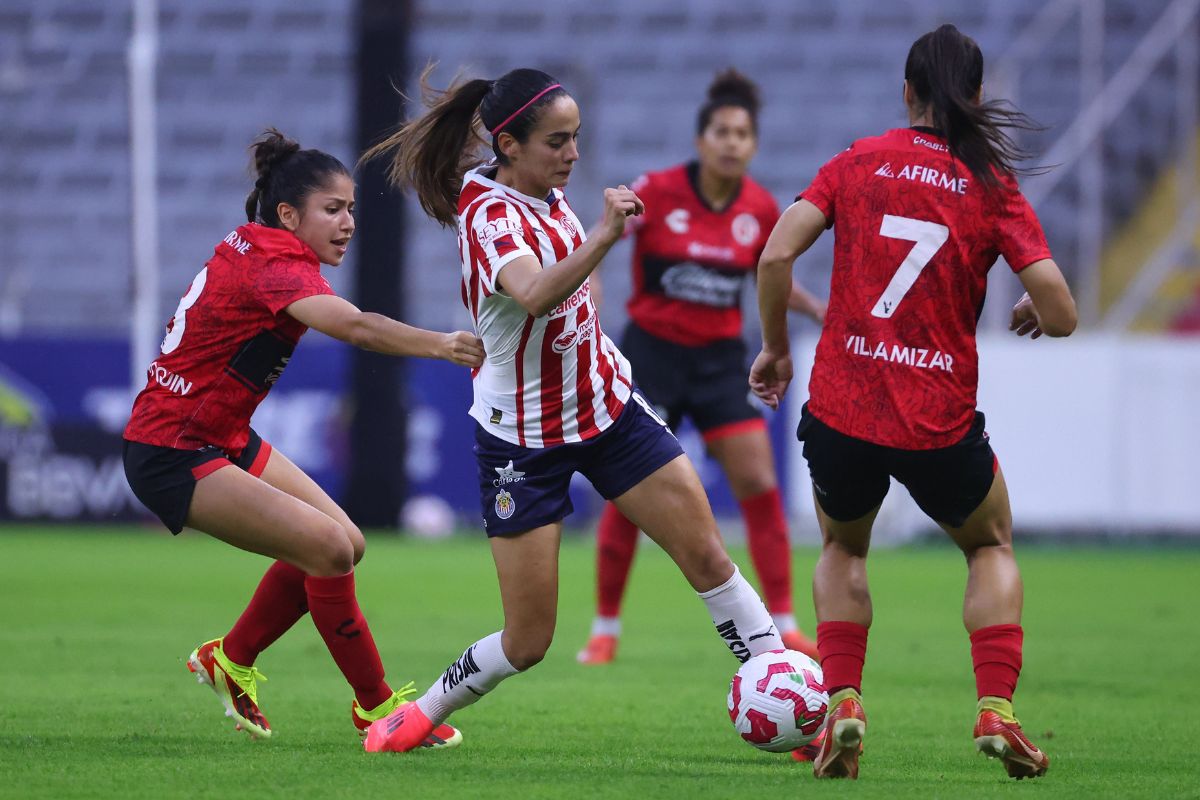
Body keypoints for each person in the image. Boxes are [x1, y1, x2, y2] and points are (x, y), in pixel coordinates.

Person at [358, 67, 789, 755]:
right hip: (521, 441)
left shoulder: (545, 191)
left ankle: (790, 704)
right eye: (558, 141)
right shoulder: (489, 214)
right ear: (508, 145)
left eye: (577, 138)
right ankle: (419, 714)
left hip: (606, 407)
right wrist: (605, 234)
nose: (573, 154)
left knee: (708, 556)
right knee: (528, 641)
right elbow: (534, 294)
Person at [750, 24, 1077, 780]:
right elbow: (1061, 312)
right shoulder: (993, 185)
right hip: (936, 420)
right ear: (975, 97)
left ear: (907, 93)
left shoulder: (856, 161)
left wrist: (774, 347)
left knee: (843, 547)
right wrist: (1033, 310)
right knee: (989, 544)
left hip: (842, 410)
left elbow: (774, 253)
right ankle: (996, 710)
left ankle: (844, 703)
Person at [122, 129, 483, 747]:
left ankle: (229, 659)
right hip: (173, 448)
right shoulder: (274, 264)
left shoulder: (261, 246)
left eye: (351, 210)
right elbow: (357, 327)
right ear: (289, 215)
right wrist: (441, 344)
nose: (347, 224)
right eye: (333, 210)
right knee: (329, 551)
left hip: (220, 434)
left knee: (346, 543)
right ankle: (376, 709)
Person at [577, 69, 825, 667]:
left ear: (754, 145)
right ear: (701, 140)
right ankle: (605, 628)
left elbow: (773, 273)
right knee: (629, 496)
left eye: (742, 134)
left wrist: (817, 307)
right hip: (652, 358)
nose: (732, 142)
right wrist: (589, 277)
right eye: (722, 131)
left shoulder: (761, 208)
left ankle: (785, 622)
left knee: (760, 484)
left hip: (718, 362)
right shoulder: (658, 190)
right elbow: (601, 237)